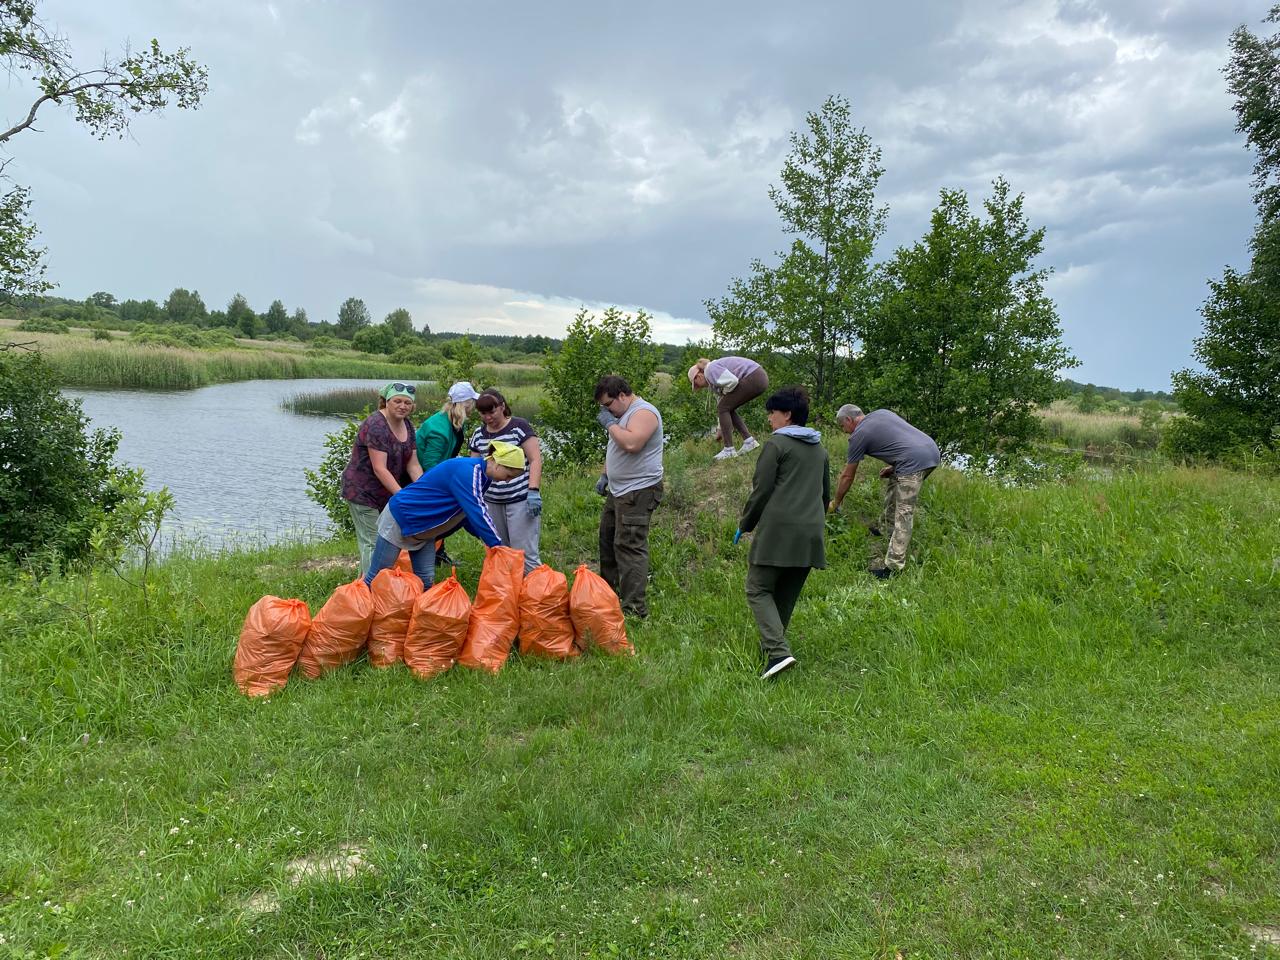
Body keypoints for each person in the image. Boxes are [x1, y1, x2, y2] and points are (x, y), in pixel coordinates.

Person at [736, 387, 829, 680]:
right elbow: (825, 496)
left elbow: (761, 490)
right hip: (811, 531)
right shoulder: (820, 449)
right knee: (785, 594)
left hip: (779, 530)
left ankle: (777, 652)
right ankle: (773, 655)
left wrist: (745, 524)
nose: (769, 420)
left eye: (772, 413)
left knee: (758, 588)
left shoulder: (776, 445)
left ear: (786, 415)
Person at [363, 440, 527, 590]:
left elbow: (464, 515)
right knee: (376, 577)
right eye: (508, 475)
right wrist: (496, 545)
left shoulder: (483, 478)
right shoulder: (468, 472)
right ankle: (356, 614)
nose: (506, 481)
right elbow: (476, 510)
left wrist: (485, 539)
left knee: (425, 582)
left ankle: (418, 620)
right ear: (498, 463)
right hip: (401, 518)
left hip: (425, 529)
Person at [828, 404, 941, 578]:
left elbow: (847, 476)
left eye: (843, 427)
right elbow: (901, 439)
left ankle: (894, 567)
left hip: (914, 462)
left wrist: (836, 502)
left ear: (849, 420)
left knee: (904, 512)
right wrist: (893, 466)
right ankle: (886, 528)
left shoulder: (859, 435)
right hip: (931, 451)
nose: (845, 432)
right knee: (894, 482)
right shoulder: (881, 413)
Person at [594, 374, 663, 618]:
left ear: (622, 395)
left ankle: (634, 610)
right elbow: (615, 447)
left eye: (608, 404)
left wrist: (610, 424)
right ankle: (607, 596)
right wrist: (605, 475)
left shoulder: (644, 412)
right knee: (608, 540)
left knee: (629, 546)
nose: (606, 410)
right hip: (618, 489)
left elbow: (632, 443)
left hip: (638, 491)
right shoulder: (622, 414)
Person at [341, 382, 424, 572]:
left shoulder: (408, 425)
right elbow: (380, 469)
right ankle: (367, 591)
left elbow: (413, 463)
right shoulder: (376, 425)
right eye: (397, 401)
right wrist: (402, 497)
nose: (402, 406)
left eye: (407, 403)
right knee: (372, 541)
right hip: (362, 492)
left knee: (385, 539)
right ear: (386, 401)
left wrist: (422, 491)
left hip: (385, 492)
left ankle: (370, 585)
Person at [467, 389, 543, 575]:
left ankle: (537, 597)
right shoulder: (478, 435)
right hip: (492, 501)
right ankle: (509, 595)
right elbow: (473, 467)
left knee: (524, 552)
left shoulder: (519, 427)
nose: (488, 417)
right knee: (500, 551)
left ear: (502, 406)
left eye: (492, 412)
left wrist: (533, 490)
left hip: (519, 499)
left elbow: (535, 459)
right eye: (483, 414)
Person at [415, 381, 480, 568]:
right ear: (465, 404)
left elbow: (449, 455)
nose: (474, 407)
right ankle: (494, 542)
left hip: (438, 476)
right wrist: (449, 486)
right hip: (423, 480)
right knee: (451, 513)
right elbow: (430, 464)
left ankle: (438, 553)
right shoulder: (439, 429)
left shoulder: (455, 421)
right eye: (472, 403)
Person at [688, 356, 769, 461]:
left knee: (724, 407)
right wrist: (720, 429)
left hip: (754, 376)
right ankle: (749, 442)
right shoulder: (713, 378)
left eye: (696, 385)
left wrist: (725, 394)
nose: (699, 388)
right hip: (758, 377)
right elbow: (722, 405)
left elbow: (733, 381)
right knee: (728, 407)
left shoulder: (710, 370)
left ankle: (729, 450)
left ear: (698, 376)